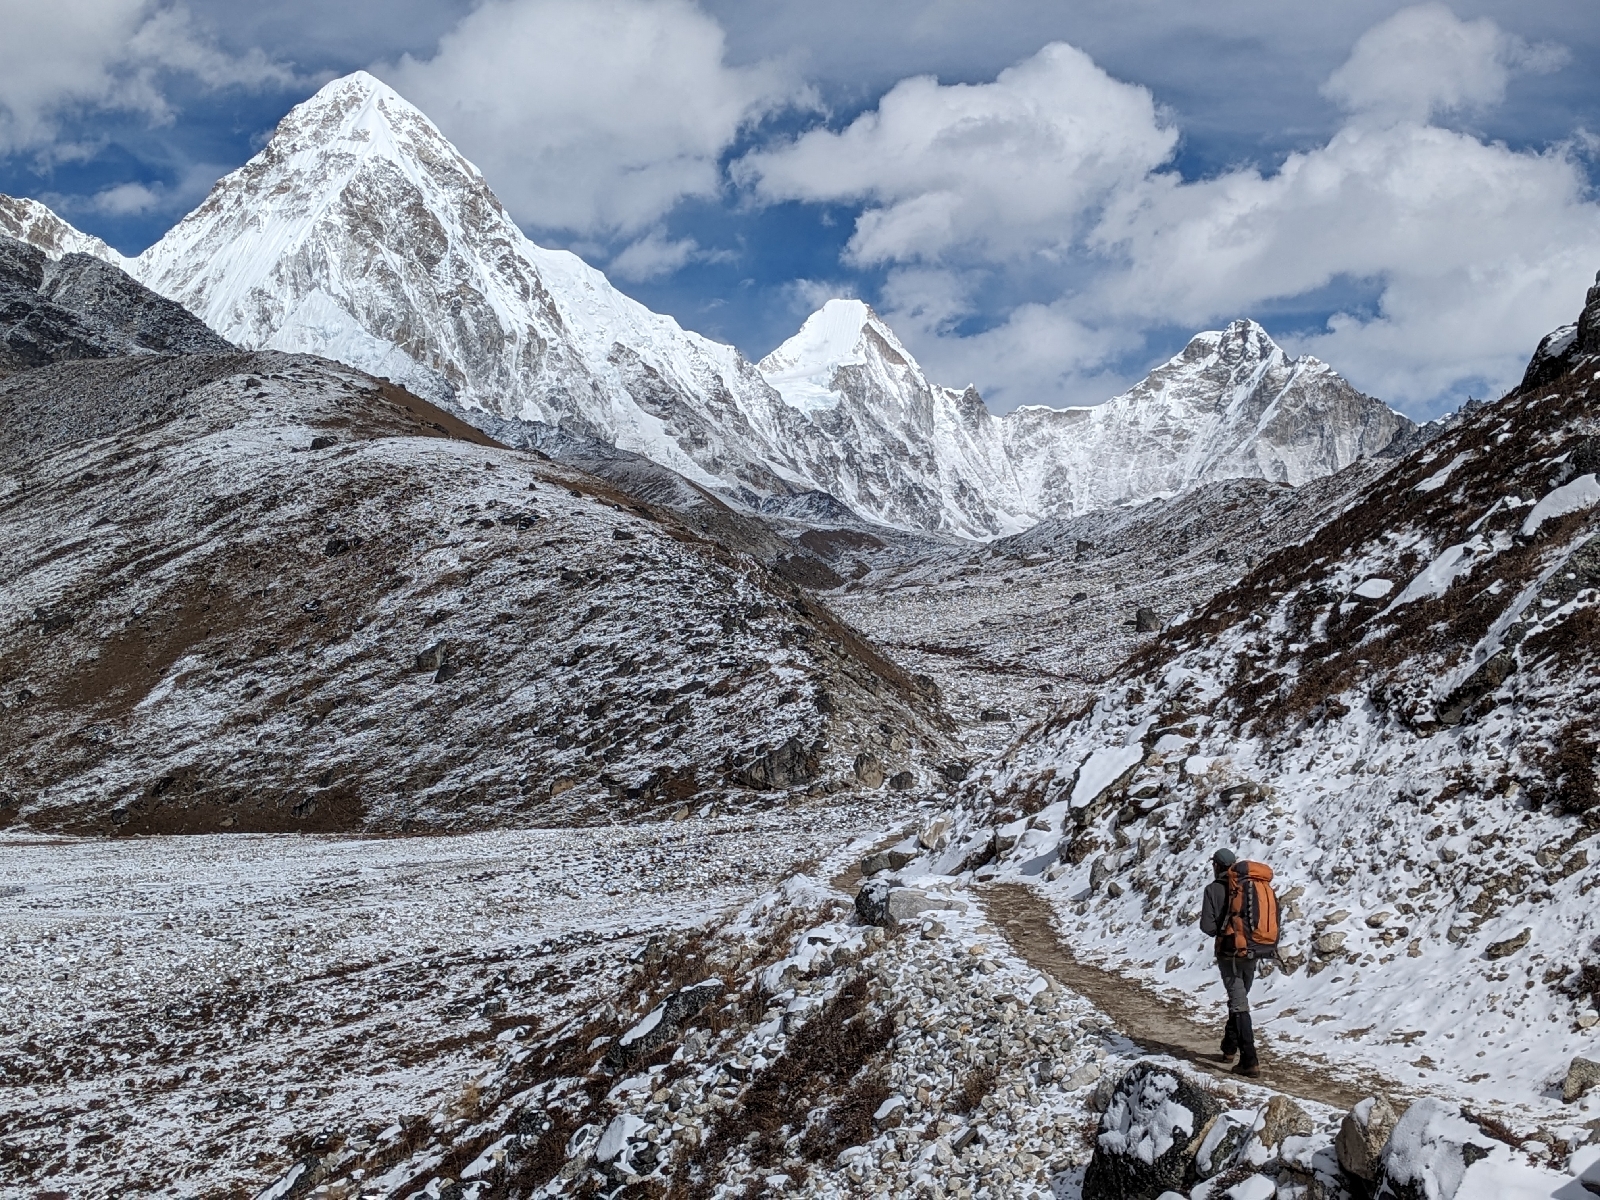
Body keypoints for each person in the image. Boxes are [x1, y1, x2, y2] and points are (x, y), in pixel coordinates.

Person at [1199, 848, 1260, 1077]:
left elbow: (1207, 926)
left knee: (1238, 1003)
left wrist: (1223, 932)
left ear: (1216, 866)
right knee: (1239, 998)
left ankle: (1250, 1061)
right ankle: (1229, 1048)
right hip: (1252, 950)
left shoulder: (1212, 889)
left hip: (1229, 953)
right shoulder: (1251, 886)